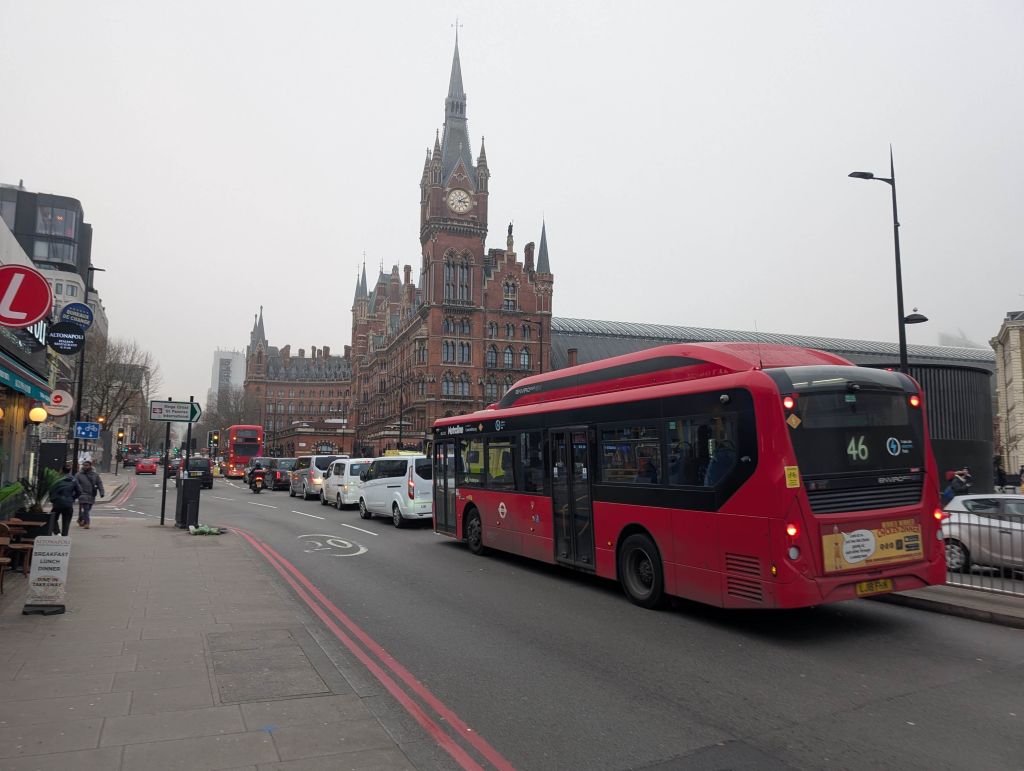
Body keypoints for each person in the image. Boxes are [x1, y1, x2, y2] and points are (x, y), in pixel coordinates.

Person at [49, 465, 81, 537]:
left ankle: (57, 533)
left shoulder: (57, 479)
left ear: (61, 470)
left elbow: (51, 490)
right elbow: (79, 491)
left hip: (57, 502)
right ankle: (64, 537)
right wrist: (72, 498)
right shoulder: (74, 479)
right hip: (68, 503)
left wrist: (53, 499)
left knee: (53, 518)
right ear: (70, 470)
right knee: (66, 521)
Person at [75, 460, 105, 529]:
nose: (85, 467)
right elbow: (75, 484)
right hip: (82, 494)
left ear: (90, 466)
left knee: (88, 509)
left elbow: (99, 483)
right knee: (86, 509)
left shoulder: (95, 475)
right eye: (84, 465)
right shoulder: (78, 475)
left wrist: (102, 492)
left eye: (87, 465)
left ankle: (80, 518)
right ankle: (87, 523)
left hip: (92, 494)